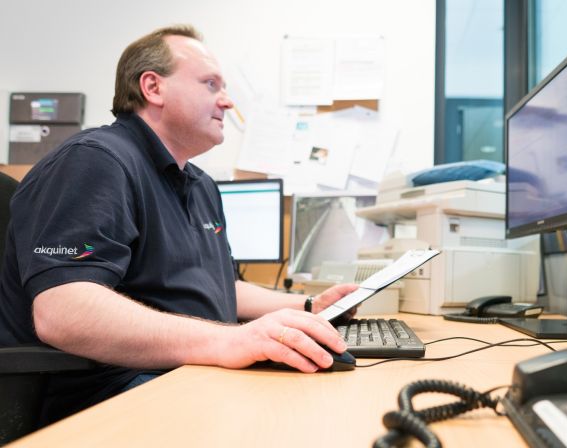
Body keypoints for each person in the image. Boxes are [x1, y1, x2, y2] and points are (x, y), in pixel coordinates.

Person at [0, 24, 357, 425]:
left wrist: (308, 307)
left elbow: (218, 285)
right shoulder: (96, 161)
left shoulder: (199, 184)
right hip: (113, 391)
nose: (226, 101)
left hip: (187, 370)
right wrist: (230, 340)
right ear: (153, 88)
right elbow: (63, 312)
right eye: (210, 84)